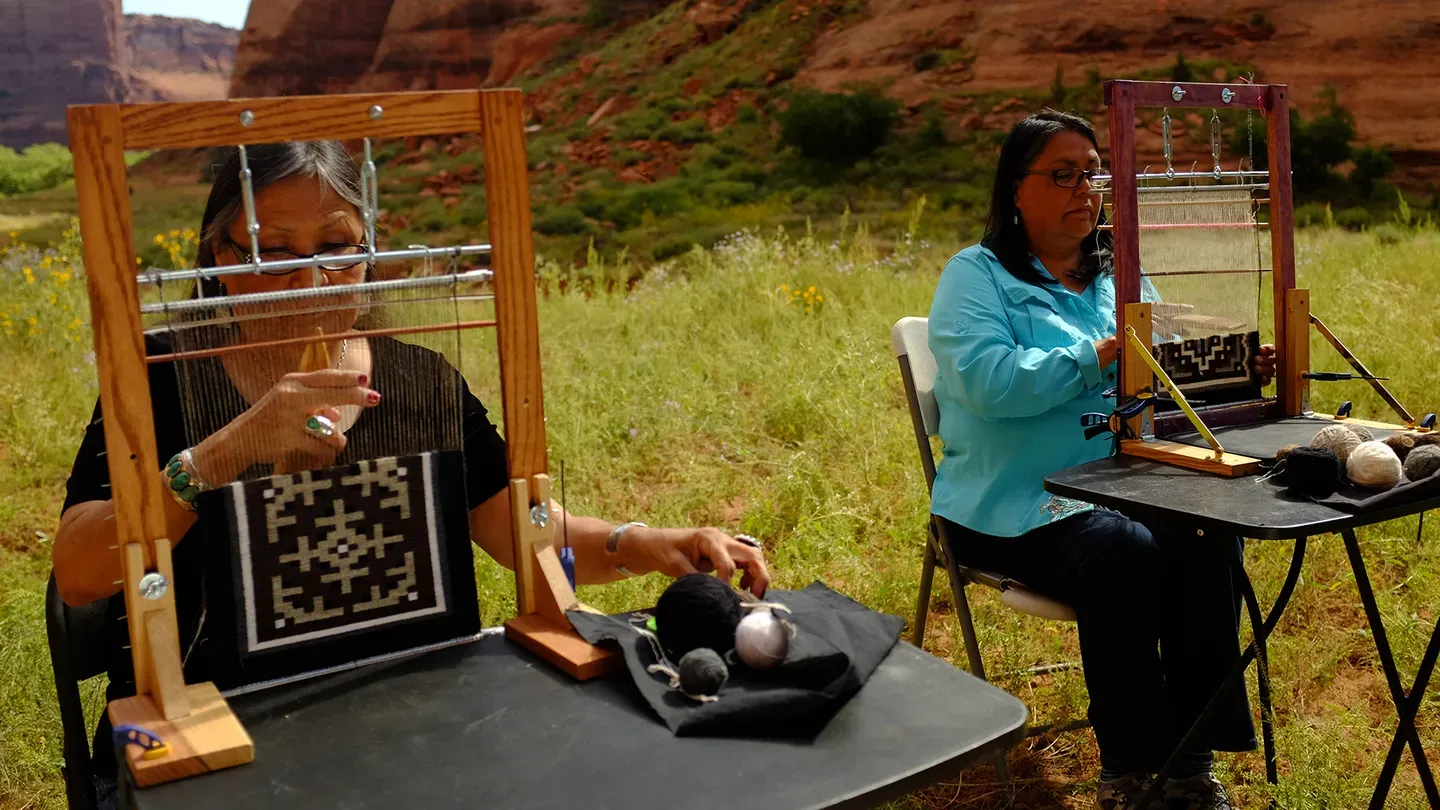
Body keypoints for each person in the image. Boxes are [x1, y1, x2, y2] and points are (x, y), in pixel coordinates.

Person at [51, 141, 770, 810]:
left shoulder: (419, 382)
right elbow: (81, 572)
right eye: (272, 252)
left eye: (336, 249)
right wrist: (223, 452)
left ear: (367, 251)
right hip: (210, 741)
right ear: (217, 252)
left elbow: (521, 534)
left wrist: (650, 544)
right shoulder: (158, 379)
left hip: (409, 728)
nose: (308, 280)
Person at [927, 110, 1277, 810]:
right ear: (1015, 189)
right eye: (1063, 173)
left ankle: (1189, 762)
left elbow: (1155, 380)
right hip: (1014, 502)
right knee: (1123, 551)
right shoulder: (977, 275)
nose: (1085, 188)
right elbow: (989, 384)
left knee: (1206, 531)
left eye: (1093, 172)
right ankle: (1131, 770)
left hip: (1120, 486)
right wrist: (1096, 356)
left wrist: (1228, 373)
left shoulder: (1118, 271)